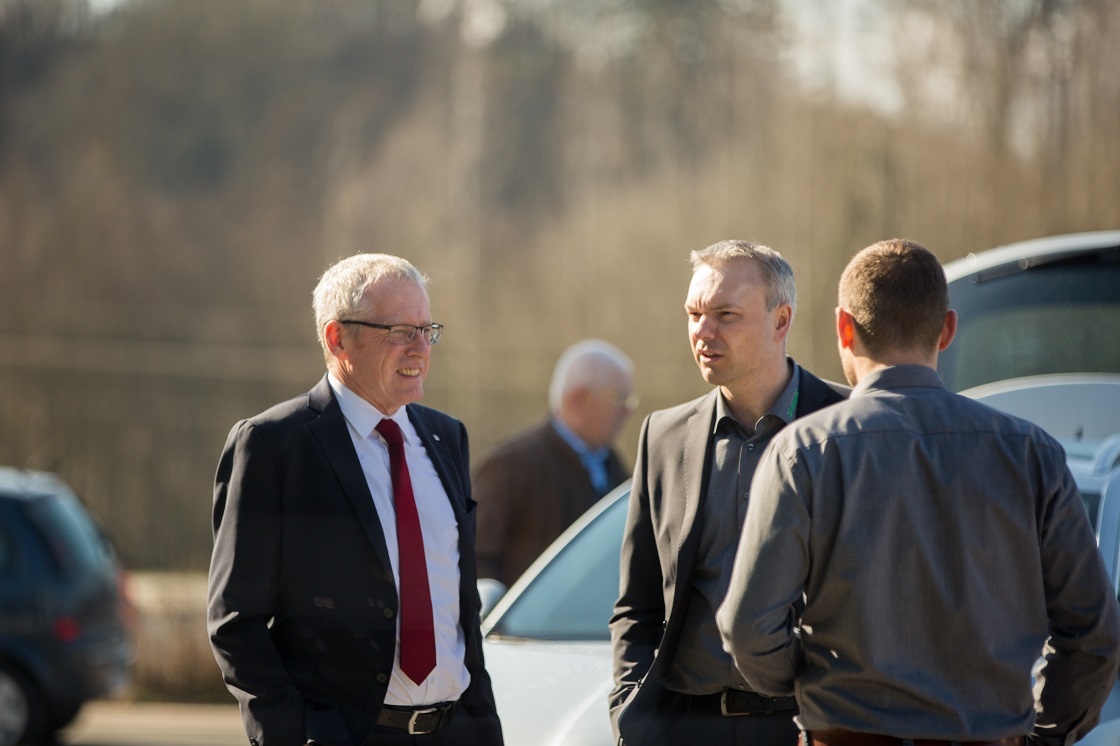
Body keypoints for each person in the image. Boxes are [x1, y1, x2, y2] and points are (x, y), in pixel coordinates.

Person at [716, 239, 1120, 746]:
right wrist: (1045, 732)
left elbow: (748, 628)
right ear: (947, 329)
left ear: (844, 327)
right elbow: (1094, 636)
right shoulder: (1032, 453)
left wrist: (814, 686)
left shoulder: (804, 451)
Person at [207, 254, 503, 746]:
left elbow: (459, 607)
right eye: (400, 331)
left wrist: (484, 726)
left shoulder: (446, 438)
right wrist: (293, 734)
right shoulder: (274, 445)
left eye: (427, 330)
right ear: (337, 338)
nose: (420, 349)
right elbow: (235, 621)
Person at [609, 240, 848, 746]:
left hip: (812, 727)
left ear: (780, 321)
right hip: (686, 727)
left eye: (725, 314)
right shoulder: (664, 435)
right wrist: (629, 709)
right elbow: (638, 603)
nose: (703, 331)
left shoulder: (850, 424)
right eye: (694, 313)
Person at [474, 339, 636, 585]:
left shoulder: (619, 472)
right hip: (528, 624)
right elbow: (476, 561)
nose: (628, 411)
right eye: (619, 398)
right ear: (578, 399)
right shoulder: (509, 467)